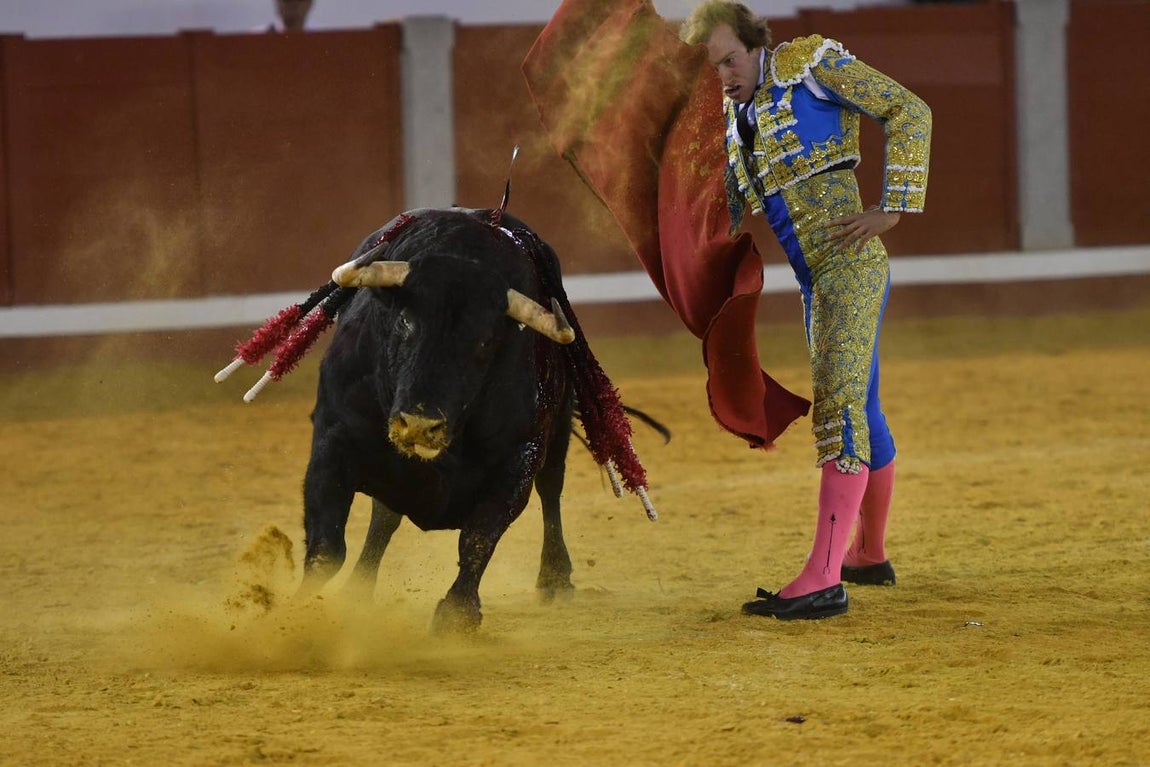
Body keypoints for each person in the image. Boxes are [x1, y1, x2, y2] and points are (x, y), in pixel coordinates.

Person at [678, 1, 932, 619]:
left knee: (840, 409)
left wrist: (893, 206)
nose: (724, 76)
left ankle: (823, 577)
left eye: (730, 60)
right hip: (817, 282)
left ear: (754, 42)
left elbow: (910, 110)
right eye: (714, 69)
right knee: (860, 405)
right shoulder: (737, 116)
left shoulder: (811, 63)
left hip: (850, 268)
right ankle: (867, 553)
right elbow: (732, 207)